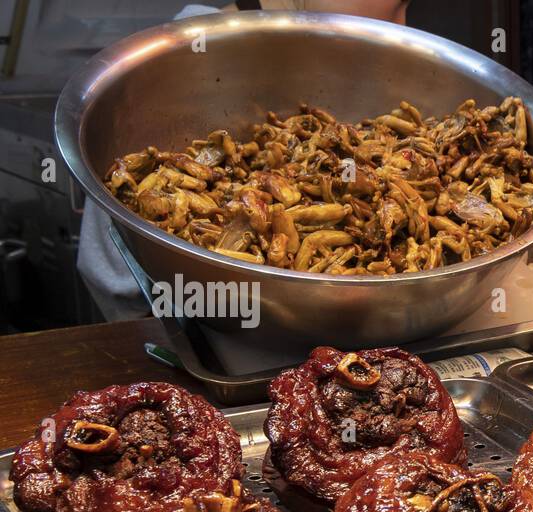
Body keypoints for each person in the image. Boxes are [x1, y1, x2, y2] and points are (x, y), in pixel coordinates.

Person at [76, 0, 411, 323]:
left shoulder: (349, 115)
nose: (402, 25)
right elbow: (111, 281)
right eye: (395, 4)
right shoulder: (183, 54)